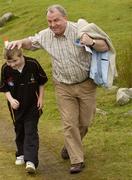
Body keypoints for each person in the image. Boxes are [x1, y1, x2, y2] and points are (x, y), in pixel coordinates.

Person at [7, 4, 112, 174]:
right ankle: (77, 160)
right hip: (63, 86)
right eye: (49, 21)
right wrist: (20, 42)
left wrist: (91, 42)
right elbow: (31, 42)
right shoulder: (46, 35)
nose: (53, 24)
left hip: (86, 84)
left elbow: (105, 46)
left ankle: (69, 146)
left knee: (85, 123)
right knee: (69, 123)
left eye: (56, 20)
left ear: (65, 18)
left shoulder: (80, 29)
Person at [0, 47, 48, 174]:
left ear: (22, 55)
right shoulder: (5, 68)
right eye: (9, 62)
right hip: (16, 107)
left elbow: (41, 82)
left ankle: (31, 161)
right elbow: (4, 87)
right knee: (19, 130)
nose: (12, 65)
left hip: (32, 104)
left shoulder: (33, 64)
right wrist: (10, 100)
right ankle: (20, 153)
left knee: (31, 131)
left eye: (15, 61)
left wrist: (41, 99)